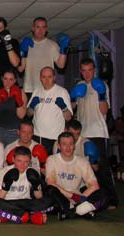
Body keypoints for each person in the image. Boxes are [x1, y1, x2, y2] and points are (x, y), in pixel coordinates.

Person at [71, 58, 116, 207]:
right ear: (81, 71)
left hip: (98, 132)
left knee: (101, 167)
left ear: (94, 69)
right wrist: (73, 97)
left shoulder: (101, 85)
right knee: (85, 169)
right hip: (82, 134)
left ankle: (112, 199)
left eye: (89, 70)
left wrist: (102, 94)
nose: (87, 73)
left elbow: (104, 111)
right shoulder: (79, 85)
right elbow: (72, 109)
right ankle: (94, 199)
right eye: (84, 70)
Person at [45, 132, 109, 220]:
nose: (68, 148)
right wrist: (72, 196)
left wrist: (82, 198)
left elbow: (94, 185)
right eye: (64, 144)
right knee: (49, 189)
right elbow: (51, 183)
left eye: (70, 144)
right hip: (60, 197)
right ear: (59, 146)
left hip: (78, 198)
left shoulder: (82, 162)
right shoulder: (52, 159)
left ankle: (71, 212)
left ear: (74, 146)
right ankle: (83, 211)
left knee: (104, 193)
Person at [0, 146, 53, 224]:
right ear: (13, 159)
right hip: (8, 203)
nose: (22, 165)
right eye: (19, 161)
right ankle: (30, 216)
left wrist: (36, 186)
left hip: (26, 203)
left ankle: (11, 215)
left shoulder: (32, 172)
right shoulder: (3, 171)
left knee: (49, 200)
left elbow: (39, 197)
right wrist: (6, 186)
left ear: (30, 161)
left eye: (26, 162)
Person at [18, 17, 69, 97]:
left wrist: (64, 49)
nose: (40, 30)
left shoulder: (52, 45)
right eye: (38, 27)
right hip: (30, 88)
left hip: (47, 87)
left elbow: (61, 65)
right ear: (33, 28)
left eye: (43, 27)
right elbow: (21, 68)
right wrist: (23, 52)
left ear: (46, 29)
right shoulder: (26, 44)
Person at [27, 67, 72, 155]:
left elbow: (69, 118)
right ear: (40, 78)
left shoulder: (62, 92)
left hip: (55, 137)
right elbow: (29, 114)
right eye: (44, 77)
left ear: (54, 78)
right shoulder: (37, 91)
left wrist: (64, 108)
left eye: (49, 77)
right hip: (37, 136)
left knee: (54, 166)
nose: (46, 80)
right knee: (38, 166)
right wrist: (32, 106)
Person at [0, 68, 27, 146]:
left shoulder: (21, 93)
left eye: (11, 79)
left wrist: (18, 100)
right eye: (5, 79)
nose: (8, 82)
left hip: (14, 132)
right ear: (2, 79)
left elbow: (21, 115)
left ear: (15, 80)